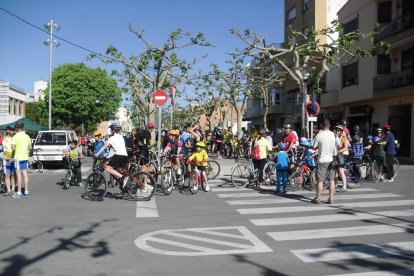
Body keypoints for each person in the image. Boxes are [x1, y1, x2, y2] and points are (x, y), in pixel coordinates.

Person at [311, 119, 337, 204]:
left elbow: (314, 146)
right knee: (331, 179)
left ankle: (318, 198)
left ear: (322, 126)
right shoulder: (334, 135)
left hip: (322, 160)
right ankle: (331, 198)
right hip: (332, 160)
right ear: (329, 125)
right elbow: (338, 144)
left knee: (320, 180)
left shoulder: (319, 135)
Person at [11, 123, 32, 198]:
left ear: (16, 128)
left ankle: (19, 192)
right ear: (22, 128)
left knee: (18, 175)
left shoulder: (15, 137)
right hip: (25, 157)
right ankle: (26, 191)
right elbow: (30, 147)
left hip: (18, 158)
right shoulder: (27, 136)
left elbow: (13, 148)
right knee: (25, 174)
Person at [334, 125, 349, 192]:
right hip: (335, 154)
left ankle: (344, 186)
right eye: (336, 130)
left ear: (341, 131)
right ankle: (335, 184)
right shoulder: (335, 136)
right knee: (335, 171)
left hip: (341, 155)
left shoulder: (343, 137)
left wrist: (339, 151)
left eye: (338, 130)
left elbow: (346, 147)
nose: (337, 131)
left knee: (341, 171)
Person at [2, 125, 16, 196]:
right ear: (8, 130)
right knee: (7, 175)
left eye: (14, 130)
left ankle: (13, 190)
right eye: (12, 130)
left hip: (14, 160)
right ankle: (8, 190)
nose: (13, 131)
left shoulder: (15, 138)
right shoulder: (4, 139)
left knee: (13, 175)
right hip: (6, 159)